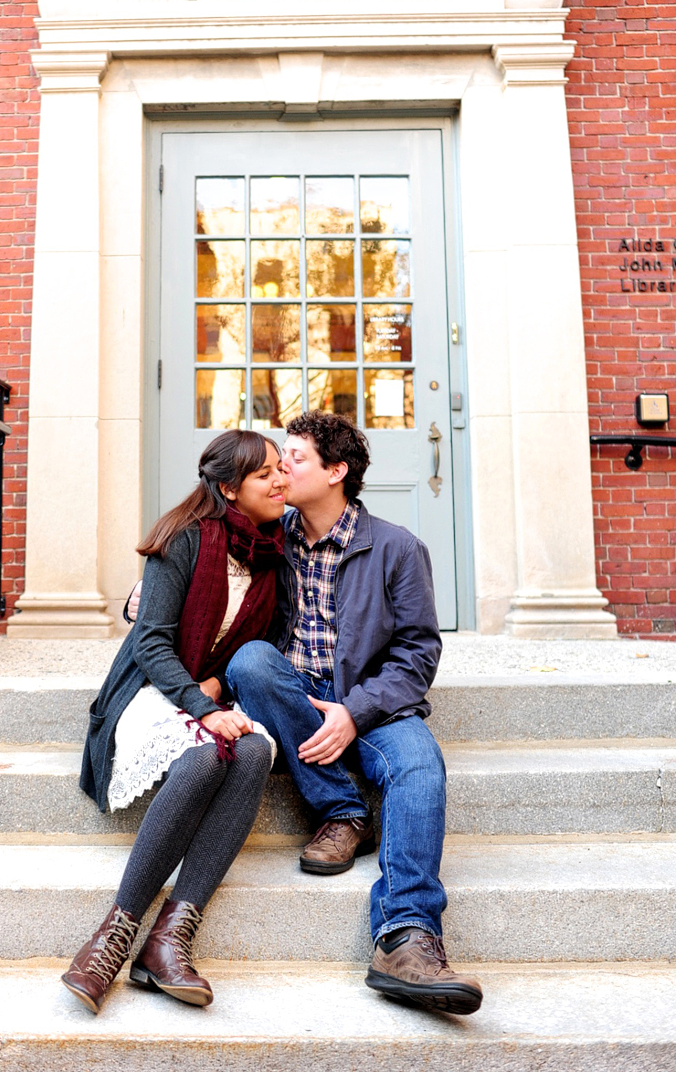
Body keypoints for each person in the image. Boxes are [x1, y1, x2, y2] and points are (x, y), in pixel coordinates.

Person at [225, 411, 484, 1016]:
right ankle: (343, 811)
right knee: (252, 663)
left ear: (336, 471)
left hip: (372, 700)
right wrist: (149, 592)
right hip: (291, 692)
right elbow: (201, 559)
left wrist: (354, 710)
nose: (279, 466)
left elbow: (419, 653)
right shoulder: (269, 535)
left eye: (294, 456)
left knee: (420, 763)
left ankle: (406, 936)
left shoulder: (398, 547)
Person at [63, 430, 285, 1015]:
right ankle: (113, 936)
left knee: (256, 753)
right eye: (266, 475)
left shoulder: (272, 554)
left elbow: (266, 644)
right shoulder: (182, 538)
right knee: (210, 752)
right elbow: (153, 644)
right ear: (231, 489)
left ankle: (168, 942)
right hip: (150, 690)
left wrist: (219, 692)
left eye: (281, 470)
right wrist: (205, 706)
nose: (281, 481)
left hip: (206, 690)